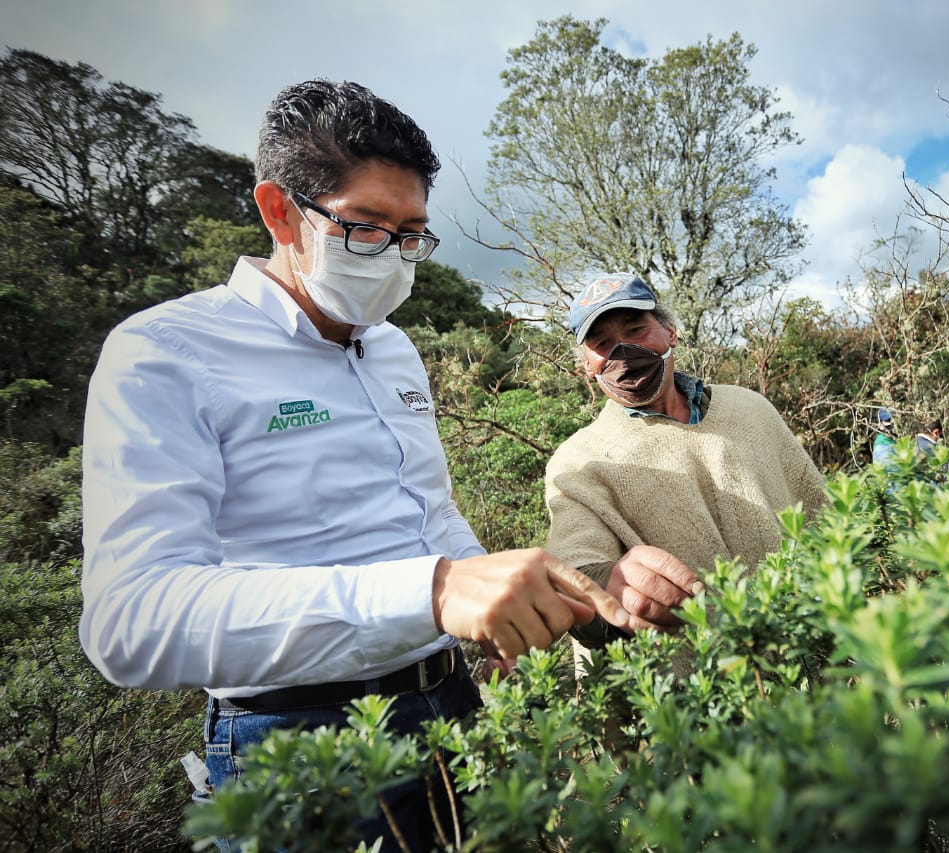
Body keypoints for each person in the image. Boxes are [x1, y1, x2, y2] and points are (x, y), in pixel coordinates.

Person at [78, 80, 630, 851]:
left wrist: (537, 594)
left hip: (450, 703)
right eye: (367, 227)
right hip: (299, 741)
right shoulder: (165, 353)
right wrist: (431, 590)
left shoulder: (394, 347)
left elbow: (430, 516)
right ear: (279, 211)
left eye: (412, 234)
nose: (395, 258)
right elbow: (131, 621)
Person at [543, 273, 828, 650]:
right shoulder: (579, 461)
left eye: (636, 330)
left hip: (810, 654)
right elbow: (576, 572)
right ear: (586, 367)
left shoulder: (750, 409)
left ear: (670, 334)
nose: (623, 352)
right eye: (603, 344)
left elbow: (821, 514)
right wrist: (607, 585)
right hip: (698, 690)